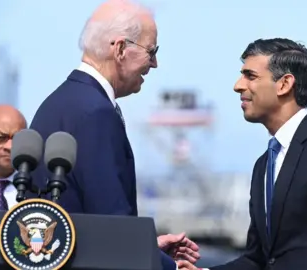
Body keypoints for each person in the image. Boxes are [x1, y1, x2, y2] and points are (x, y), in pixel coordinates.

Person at [29, 1, 199, 269]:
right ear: (120, 48)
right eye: (151, 51)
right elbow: (114, 230)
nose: (154, 63)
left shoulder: (60, 101)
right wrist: (173, 267)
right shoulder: (96, 113)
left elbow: (88, 221)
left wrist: (147, 246)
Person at [178, 38, 307, 270]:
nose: (238, 85)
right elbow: (258, 259)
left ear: (284, 84)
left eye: (250, 76)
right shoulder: (263, 165)